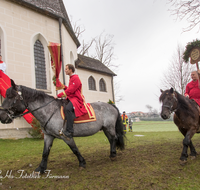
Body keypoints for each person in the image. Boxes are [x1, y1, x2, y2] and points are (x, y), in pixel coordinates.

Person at [54, 64, 88, 140]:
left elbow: (70, 90)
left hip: (76, 98)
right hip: (71, 97)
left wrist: (58, 95)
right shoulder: (72, 78)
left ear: (70, 70)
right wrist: (62, 86)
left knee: (68, 109)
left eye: (66, 69)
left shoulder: (75, 78)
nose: (65, 70)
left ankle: (70, 131)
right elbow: (69, 88)